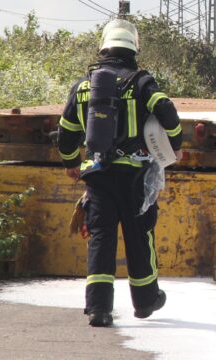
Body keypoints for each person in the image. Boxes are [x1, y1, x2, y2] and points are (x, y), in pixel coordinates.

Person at [57, 19, 183, 327]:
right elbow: (165, 109)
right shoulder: (141, 82)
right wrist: (176, 144)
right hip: (135, 178)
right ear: (133, 49)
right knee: (139, 236)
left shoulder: (84, 86)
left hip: (98, 177)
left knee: (101, 239)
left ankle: (99, 309)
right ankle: (146, 301)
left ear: (103, 48)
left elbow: (66, 131)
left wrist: (71, 162)